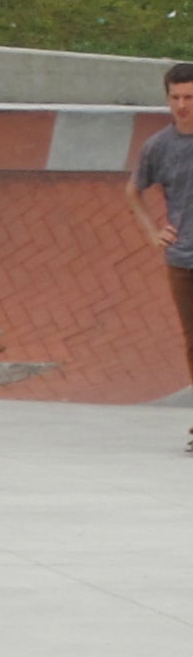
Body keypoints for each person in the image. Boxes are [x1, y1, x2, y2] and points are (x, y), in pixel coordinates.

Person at [130, 62, 193, 453]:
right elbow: (133, 191)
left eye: (190, 98)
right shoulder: (159, 146)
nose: (183, 106)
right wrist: (154, 231)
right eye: (176, 98)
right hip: (183, 257)